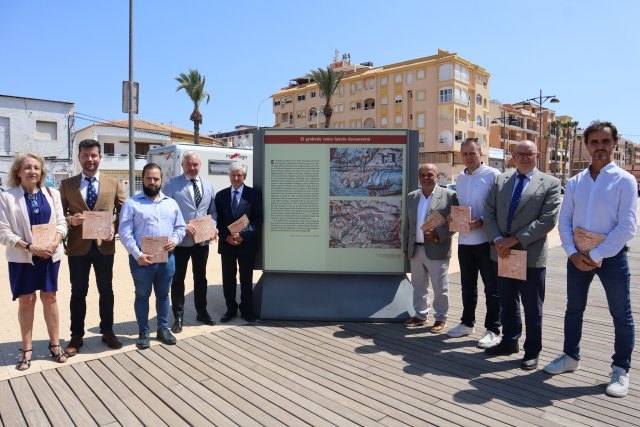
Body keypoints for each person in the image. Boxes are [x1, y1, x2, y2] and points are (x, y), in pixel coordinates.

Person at [543, 121, 637, 397]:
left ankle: (620, 369)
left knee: (621, 314)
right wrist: (572, 253)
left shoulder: (625, 181)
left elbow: (627, 226)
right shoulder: (575, 182)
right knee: (574, 309)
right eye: (594, 142)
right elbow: (565, 221)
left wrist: (595, 255)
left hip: (611, 258)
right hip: (577, 258)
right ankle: (570, 357)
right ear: (586, 146)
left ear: (614, 144)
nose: (599, 147)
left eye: (605, 142)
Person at [484, 140, 561, 370]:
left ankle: (532, 351)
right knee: (507, 302)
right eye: (520, 154)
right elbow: (489, 212)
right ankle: (509, 341)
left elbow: (547, 221)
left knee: (532, 306)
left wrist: (513, 240)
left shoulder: (550, 183)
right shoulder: (500, 179)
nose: (525, 158)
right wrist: (498, 239)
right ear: (513, 156)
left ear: (537, 155)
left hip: (530, 255)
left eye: (530, 154)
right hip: (503, 253)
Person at [0, 153, 68, 370]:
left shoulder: (52, 193)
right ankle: (27, 349)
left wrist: (55, 242)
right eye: (27, 168)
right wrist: (30, 247)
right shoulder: (7, 197)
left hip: (49, 254)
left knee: (50, 298)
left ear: (42, 172)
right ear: (18, 172)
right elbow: (3, 232)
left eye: (36, 168)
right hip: (22, 258)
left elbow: (61, 223)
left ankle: (55, 345)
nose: (32, 172)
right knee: (26, 301)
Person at [60, 139, 126, 356]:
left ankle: (107, 330)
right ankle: (76, 335)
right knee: (78, 292)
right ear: (79, 157)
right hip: (78, 248)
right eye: (85, 155)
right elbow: (59, 215)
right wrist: (71, 221)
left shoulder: (114, 183)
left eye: (94, 155)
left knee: (106, 290)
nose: (90, 160)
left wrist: (114, 229)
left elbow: (125, 210)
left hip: (104, 247)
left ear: (100, 157)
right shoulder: (67, 184)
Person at [119, 163, 186, 349]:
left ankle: (163, 329)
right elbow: (125, 232)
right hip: (142, 260)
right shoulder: (131, 203)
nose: (152, 182)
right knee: (142, 296)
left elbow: (181, 227)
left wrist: (175, 240)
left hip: (167, 259)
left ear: (161, 180)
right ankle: (143, 331)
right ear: (143, 179)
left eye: (156, 178)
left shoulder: (171, 203)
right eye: (148, 178)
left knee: (164, 296)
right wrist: (137, 254)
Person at [446, 138, 501, 348]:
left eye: (472, 153)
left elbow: (498, 208)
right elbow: (461, 207)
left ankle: (493, 329)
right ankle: (467, 323)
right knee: (467, 286)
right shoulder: (459, 178)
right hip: (465, 242)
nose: (469, 157)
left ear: (481, 154)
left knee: (491, 288)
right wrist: (454, 220)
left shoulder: (493, 176)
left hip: (486, 242)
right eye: (465, 154)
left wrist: (482, 221)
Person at [163, 151, 218, 333]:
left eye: (195, 164)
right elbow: (164, 212)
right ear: (183, 165)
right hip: (180, 242)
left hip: (201, 241)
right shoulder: (171, 185)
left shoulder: (208, 186)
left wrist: (213, 227)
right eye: (188, 164)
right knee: (178, 279)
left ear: (199, 165)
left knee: (200, 278)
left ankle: (202, 312)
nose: (192, 168)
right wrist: (182, 225)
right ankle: (178, 316)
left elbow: (213, 211)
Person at [402, 163, 457, 333]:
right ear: (419, 177)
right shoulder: (412, 197)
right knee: (418, 286)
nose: (426, 178)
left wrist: (438, 234)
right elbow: (407, 225)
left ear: (437, 176)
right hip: (415, 249)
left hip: (437, 248)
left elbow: (455, 224)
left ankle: (441, 318)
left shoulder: (449, 196)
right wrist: (406, 247)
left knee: (440, 287)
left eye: (430, 174)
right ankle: (420, 314)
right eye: (423, 175)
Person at [214, 162, 262, 323]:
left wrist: (243, 236)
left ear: (244, 177)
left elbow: (258, 219)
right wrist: (225, 236)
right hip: (227, 244)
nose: (236, 178)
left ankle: (246, 309)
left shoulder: (254, 195)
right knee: (228, 278)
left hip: (246, 244)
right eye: (233, 175)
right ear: (229, 176)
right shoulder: (220, 196)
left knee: (246, 278)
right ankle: (231, 309)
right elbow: (217, 220)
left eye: (239, 175)